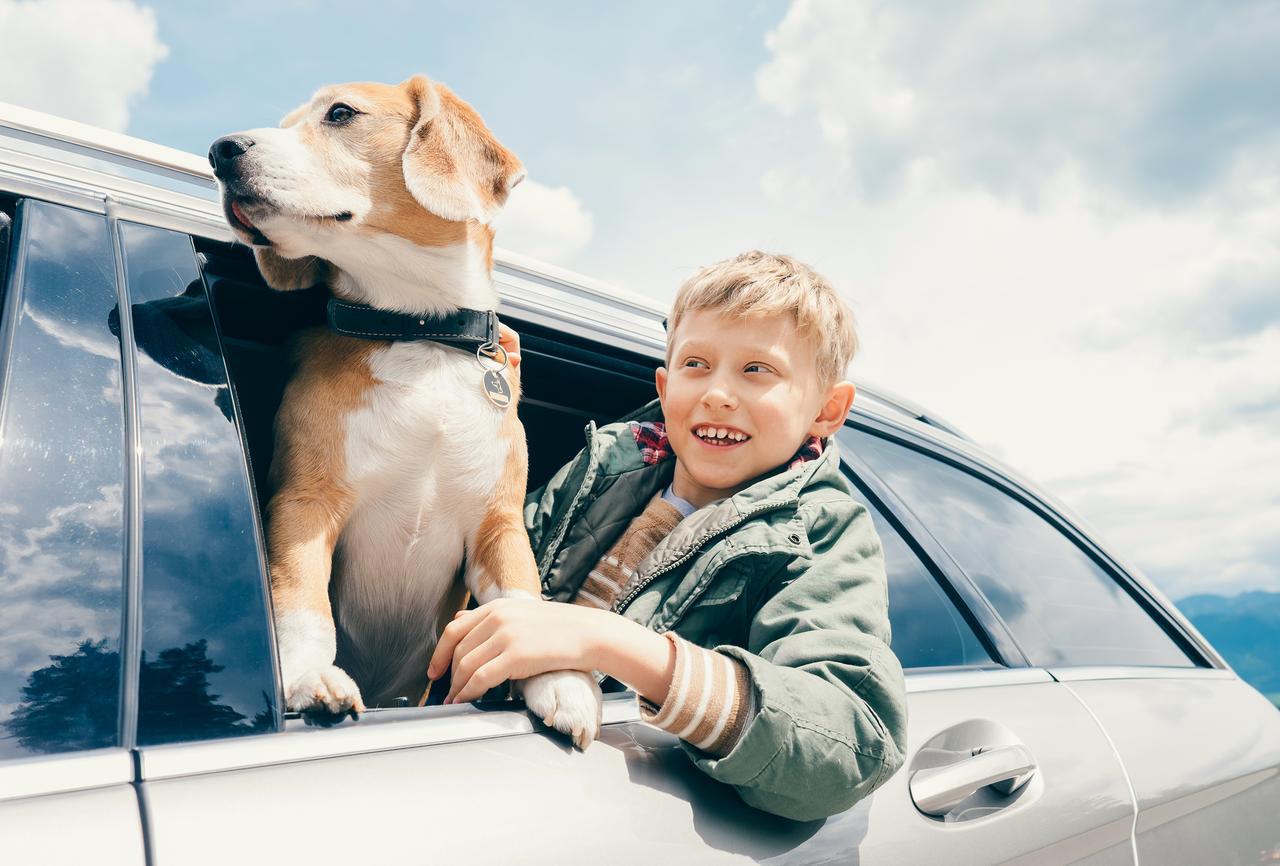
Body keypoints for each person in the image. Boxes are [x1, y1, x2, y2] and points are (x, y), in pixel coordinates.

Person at [428, 251, 906, 821]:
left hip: (601, 812)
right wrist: (484, 425)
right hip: (472, 758)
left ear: (828, 410)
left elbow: (850, 741)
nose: (718, 393)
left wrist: (608, 643)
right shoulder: (604, 466)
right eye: (697, 364)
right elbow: (477, 561)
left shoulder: (823, 530)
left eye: (757, 370)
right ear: (665, 380)